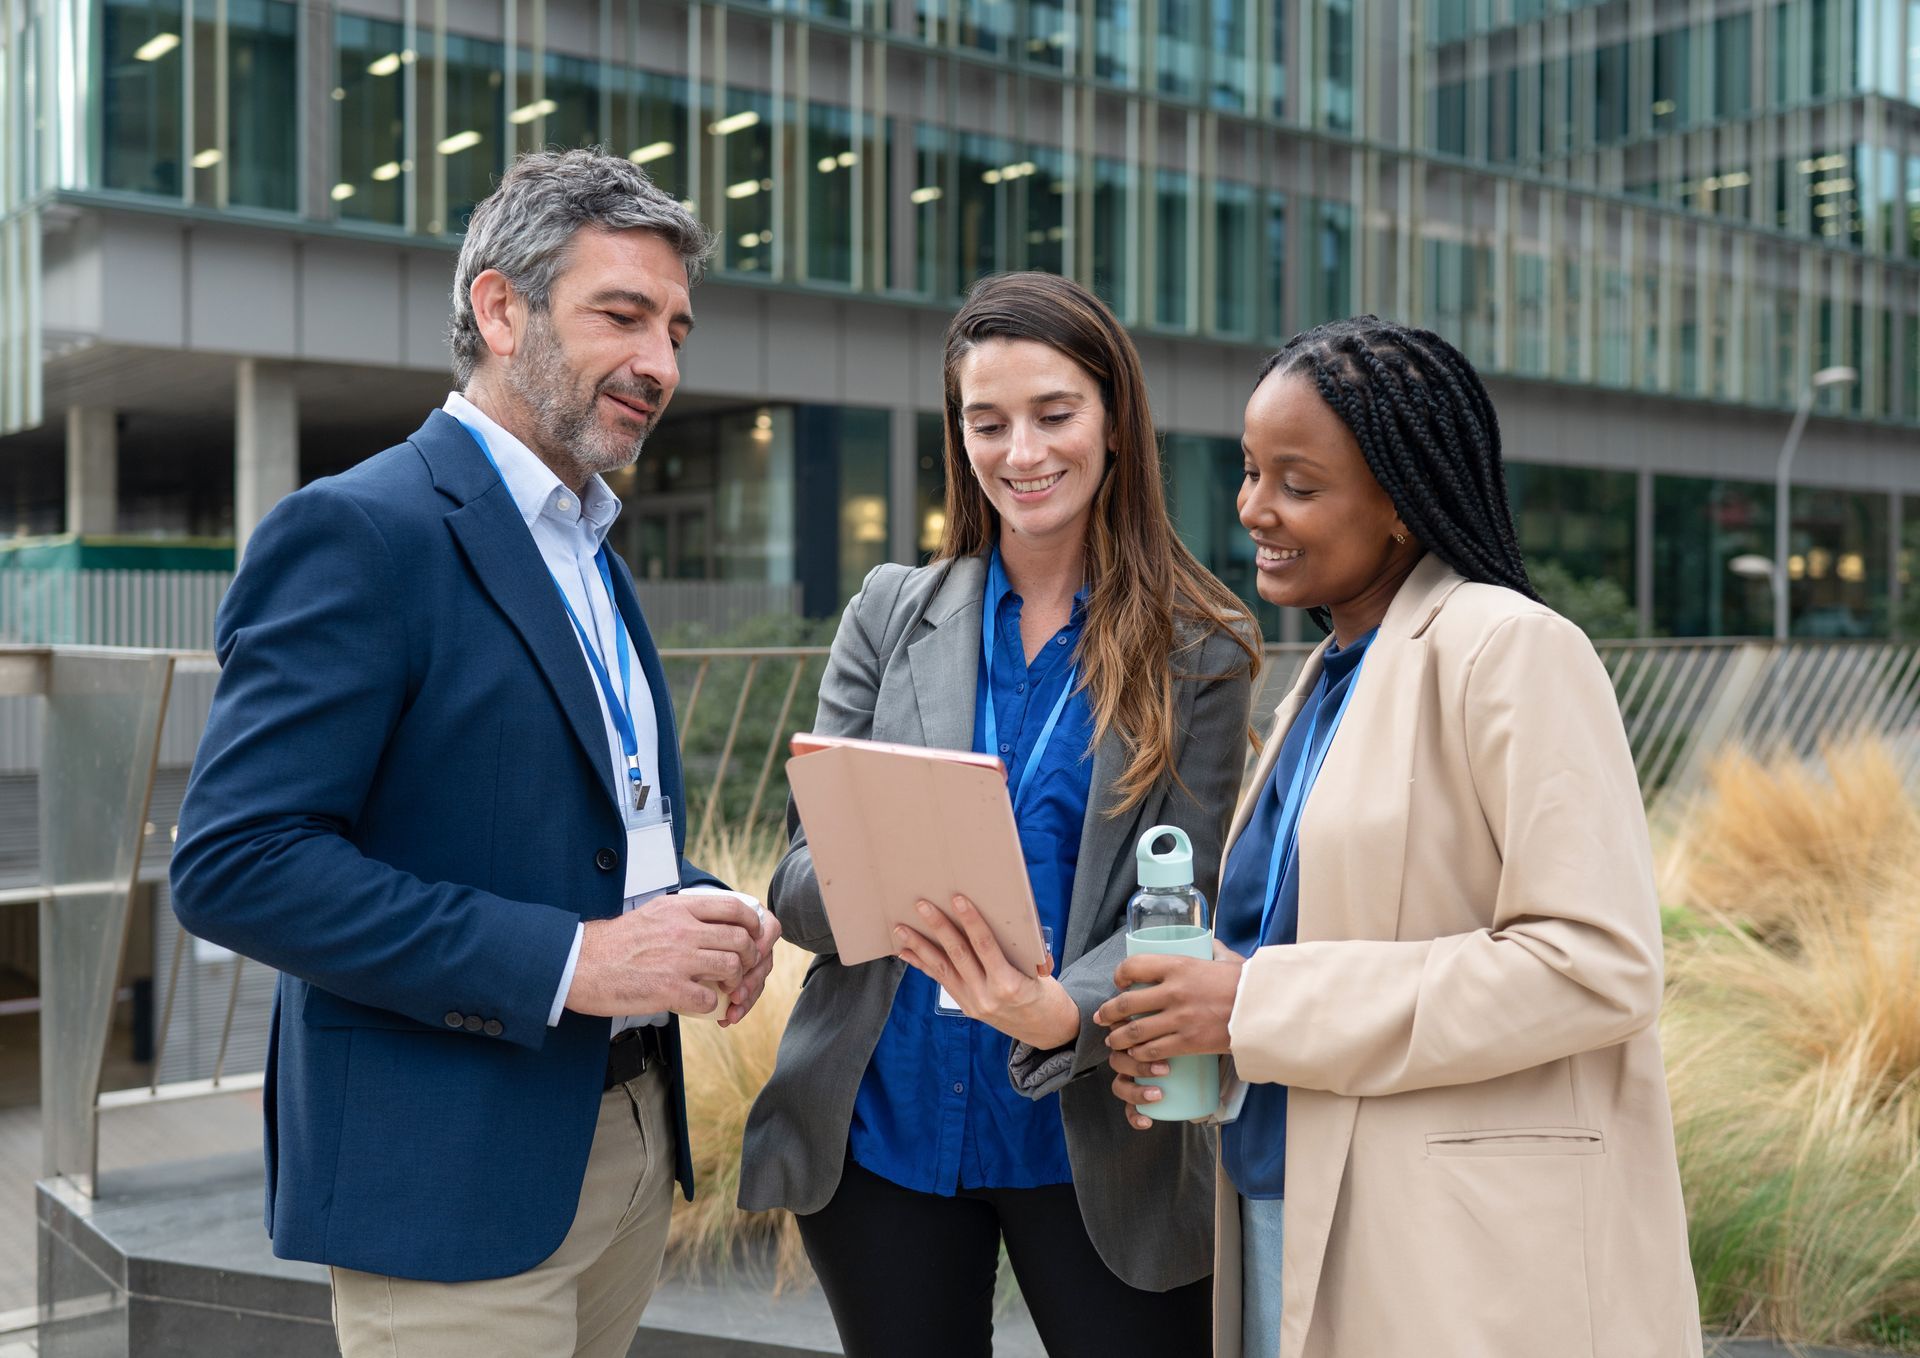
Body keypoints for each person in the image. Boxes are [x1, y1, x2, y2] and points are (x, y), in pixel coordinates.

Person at [169, 148, 781, 1358]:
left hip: (621, 1151)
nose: (660, 363)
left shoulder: (588, 542)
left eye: (676, 328)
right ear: (500, 309)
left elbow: (575, 823)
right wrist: (580, 958)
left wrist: (694, 906)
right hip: (447, 1183)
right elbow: (236, 861)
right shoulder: (358, 529)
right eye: (622, 315)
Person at [1098, 316, 1702, 1358]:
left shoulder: (1510, 649)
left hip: (1454, 1254)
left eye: (1298, 481)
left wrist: (1252, 1001)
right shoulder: (1324, 679)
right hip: (1282, 1202)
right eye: (1249, 471)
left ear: (1400, 503)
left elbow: (1599, 965)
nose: (1253, 508)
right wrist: (1200, 1035)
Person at [737, 271, 1258, 1357]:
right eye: (989, 422)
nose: (1022, 451)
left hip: (1096, 1133)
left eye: (1054, 414)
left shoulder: (1200, 646)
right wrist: (872, 858)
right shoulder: (888, 613)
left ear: (1116, 421)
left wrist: (1060, 1009)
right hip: (886, 1127)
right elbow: (796, 882)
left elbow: (1194, 900)